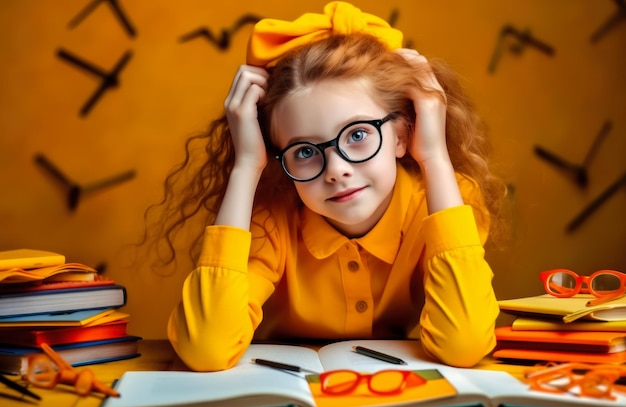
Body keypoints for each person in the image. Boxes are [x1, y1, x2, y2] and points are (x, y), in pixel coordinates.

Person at [147, 1, 507, 372]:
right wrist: (244, 167)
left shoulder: (446, 200)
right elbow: (205, 348)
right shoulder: (271, 220)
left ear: (402, 134)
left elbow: (464, 345)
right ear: (278, 158)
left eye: (358, 134)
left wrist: (434, 156)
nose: (335, 170)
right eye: (304, 151)